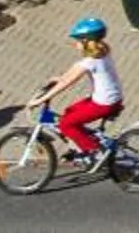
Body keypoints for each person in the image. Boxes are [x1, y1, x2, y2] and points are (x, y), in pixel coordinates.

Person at [32, 17, 124, 165]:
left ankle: (93, 151)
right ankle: (80, 143)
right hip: (108, 97)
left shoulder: (89, 62)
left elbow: (66, 83)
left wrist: (40, 100)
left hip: (105, 103)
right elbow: (69, 75)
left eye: (78, 40)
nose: (75, 44)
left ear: (87, 41)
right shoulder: (103, 51)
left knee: (65, 124)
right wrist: (60, 78)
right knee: (70, 111)